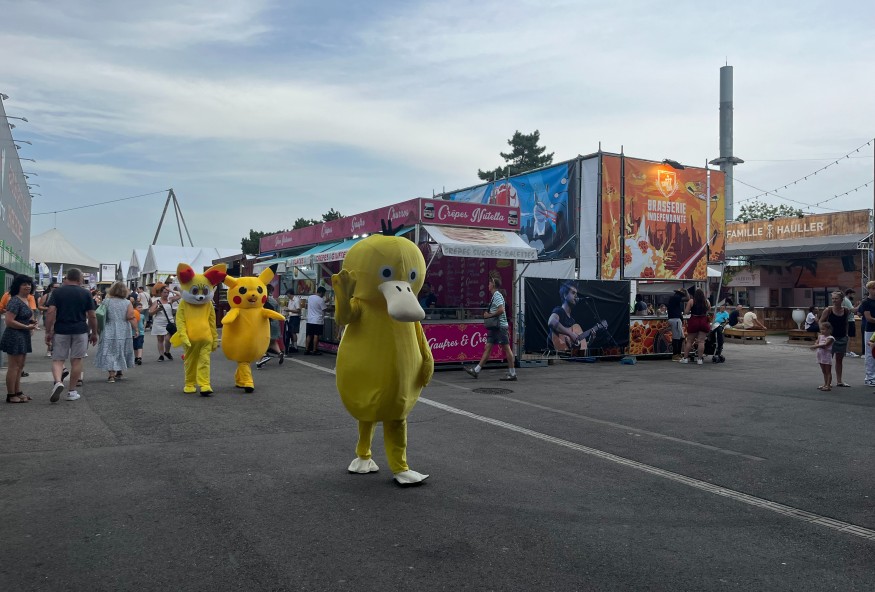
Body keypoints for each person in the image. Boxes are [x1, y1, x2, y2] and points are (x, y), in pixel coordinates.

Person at [44, 268, 98, 403]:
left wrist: (48, 331)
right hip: (80, 330)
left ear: (67, 277)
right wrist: (94, 332)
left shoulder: (57, 292)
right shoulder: (86, 293)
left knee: (58, 359)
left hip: (61, 329)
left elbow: (50, 312)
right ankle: (72, 391)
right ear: (80, 279)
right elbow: (92, 315)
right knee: (77, 360)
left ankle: (58, 382)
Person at [464, 276, 516, 381]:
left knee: (506, 348)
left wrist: (489, 315)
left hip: (500, 326)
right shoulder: (495, 296)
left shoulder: (497, 295)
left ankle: (512, 373)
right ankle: (476, 371)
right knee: (488, 347)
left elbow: (501, 310)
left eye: (489, 283)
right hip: (495, 327)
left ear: (493, 284)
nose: (488, 285)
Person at [1, 274, 38, 403]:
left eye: (29, 284)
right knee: (14, 366)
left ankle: (18, 392)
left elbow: (21, 317)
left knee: (20, 366)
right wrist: (26, 326)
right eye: (24, 284)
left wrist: (31, 322)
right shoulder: (15, 300)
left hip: (23, 335)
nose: (27, 286)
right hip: (14, 335)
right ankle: (11, 394)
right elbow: (9, 321)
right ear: (18, 286)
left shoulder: (26, 299)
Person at [94, 281, 137, 382]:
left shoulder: (106, 301)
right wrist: (136, 329)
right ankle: (119, 371)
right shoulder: (127, 303)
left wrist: (98, 328)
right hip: (123, 328)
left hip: (109, 327)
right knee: (121, 349)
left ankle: (111, 375)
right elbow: (130, 316)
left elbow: (100, 314)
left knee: (110, 350)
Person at [820, 291, 850, 388]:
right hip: (830, 338)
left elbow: (846, 323)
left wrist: (846, 334)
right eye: (832, 298)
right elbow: (821, 321)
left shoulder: (846, 310)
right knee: (827, 360)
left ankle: (839, 381)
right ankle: (827, 382)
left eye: (836, 298)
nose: (834, 300)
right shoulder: (828, 310)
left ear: (841, 300)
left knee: (839, 360)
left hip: (842, 337)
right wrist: (823, 333)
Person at [149, 283, 180, 362]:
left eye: (167, 292)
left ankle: (167, 352)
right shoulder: (157, 301)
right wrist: (157, 310)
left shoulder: (170, 300)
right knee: (160, 339)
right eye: (164, 292)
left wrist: (171, 290)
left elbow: (180, 295)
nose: (166, 294)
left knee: (168, 339)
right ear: (160, 293)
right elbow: (150, 312)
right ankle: (161, 355)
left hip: (169, 322)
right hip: (159, 322)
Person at [256, 284, 285, 368]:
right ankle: (280, 353)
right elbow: (278, 312)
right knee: (273, 341)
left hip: (266, 324)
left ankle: (262, 358)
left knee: (261, 342)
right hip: (275, 323)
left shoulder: (261, 300)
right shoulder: (275, 301)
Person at [681, 288, 711, 365]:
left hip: (694, 320)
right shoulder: (706, 301)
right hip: (703, 320)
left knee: (689, 340)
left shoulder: (691, 301)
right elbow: (709, 310)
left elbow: (686, 311)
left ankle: (685, 358)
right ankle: (700, 359)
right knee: (701, 341)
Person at [859, 281, 875, 386]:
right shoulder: (866, 302)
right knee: (870, 354)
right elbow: (869, 318)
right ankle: (870, 377)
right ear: (868, 289)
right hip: (870, 330)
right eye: (873, 288)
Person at [811, 321, 835, 392]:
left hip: (827, 356)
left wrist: (816, 346)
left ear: (829, 330)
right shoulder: (820, 336)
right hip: (820, 355)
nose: (822, 331)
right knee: (824, 371)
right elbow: (817, 342)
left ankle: (828, 385)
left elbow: (825, 345)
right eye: (821, 329)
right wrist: (816, 344)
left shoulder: (831, 338)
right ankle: (825, 384)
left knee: (828, 371)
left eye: (824, 329)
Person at [305, 286, 327, 355]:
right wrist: (334, 309)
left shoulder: (310, 297)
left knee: (309, 335)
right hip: (317, 320)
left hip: (310, 320)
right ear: (321, 292)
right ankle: (314, 350)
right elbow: (325, 309)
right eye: (323, 293)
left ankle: (307, 350)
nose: (323, 295)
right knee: (316, 335)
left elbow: (316, 304)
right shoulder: (321, 300)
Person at [667, 287, 687, 361]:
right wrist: (686, 291)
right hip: (675, 319)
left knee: (681, 337)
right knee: (676, 338)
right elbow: (687, 298)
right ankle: (675, 355)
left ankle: (678, 353)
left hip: (675, 319)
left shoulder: (673, 299)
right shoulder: (676, 298)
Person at [284, 289, 302, 354]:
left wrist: (289, 311)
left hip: (295, 317)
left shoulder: (296, 300)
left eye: (287, 294)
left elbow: (298, 310)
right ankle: (292, 345)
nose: (287, 296)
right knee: (290, 332)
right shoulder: (290, 300)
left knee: (293, 332)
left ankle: (295, 346)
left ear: (290, 293)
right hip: (291, 317)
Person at [130, 296, 145, 365]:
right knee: (135, 346)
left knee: (140, 345)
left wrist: (143, 327)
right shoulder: (132, 315)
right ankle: (136, 357)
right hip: (133, 333)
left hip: (141, 333)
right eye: (139, 307)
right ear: (134, 308)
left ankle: (139, 357)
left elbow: (144, 322)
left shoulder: (142, 315)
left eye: (141, 307)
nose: (141, 308)